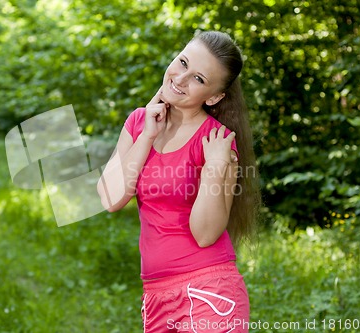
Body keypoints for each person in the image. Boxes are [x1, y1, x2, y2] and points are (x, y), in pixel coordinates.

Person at [97, 30, 260, 333]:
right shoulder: (138, 123)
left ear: (214, 97)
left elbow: (205, 234)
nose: (181, 79)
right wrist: (147, 135)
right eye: (182, 63)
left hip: (209, 292)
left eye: (198, 79)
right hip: (156, 296)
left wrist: (214, 165)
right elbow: (110, 198)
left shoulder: (217, 142)